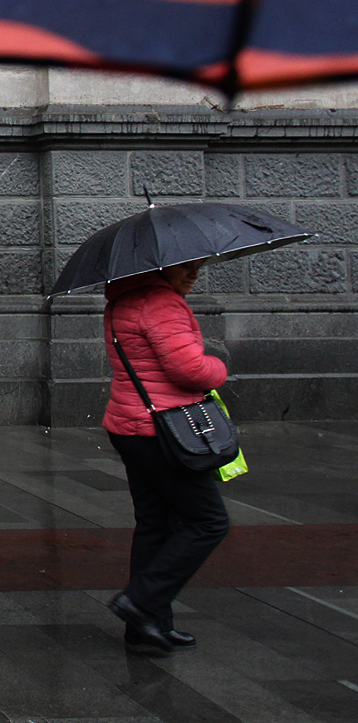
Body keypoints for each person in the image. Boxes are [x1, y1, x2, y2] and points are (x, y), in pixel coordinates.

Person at [102, 260, 230, 655]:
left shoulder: (123, 298)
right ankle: (140, 603)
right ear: (160, 268)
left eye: (198, 267)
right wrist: (218, 368)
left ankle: (148, 627)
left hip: (130, 424)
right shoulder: (162, 304)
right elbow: (189, 369)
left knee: (155, 523)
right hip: (166, 431)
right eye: (186, 268)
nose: (194, 274)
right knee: (208, 521)